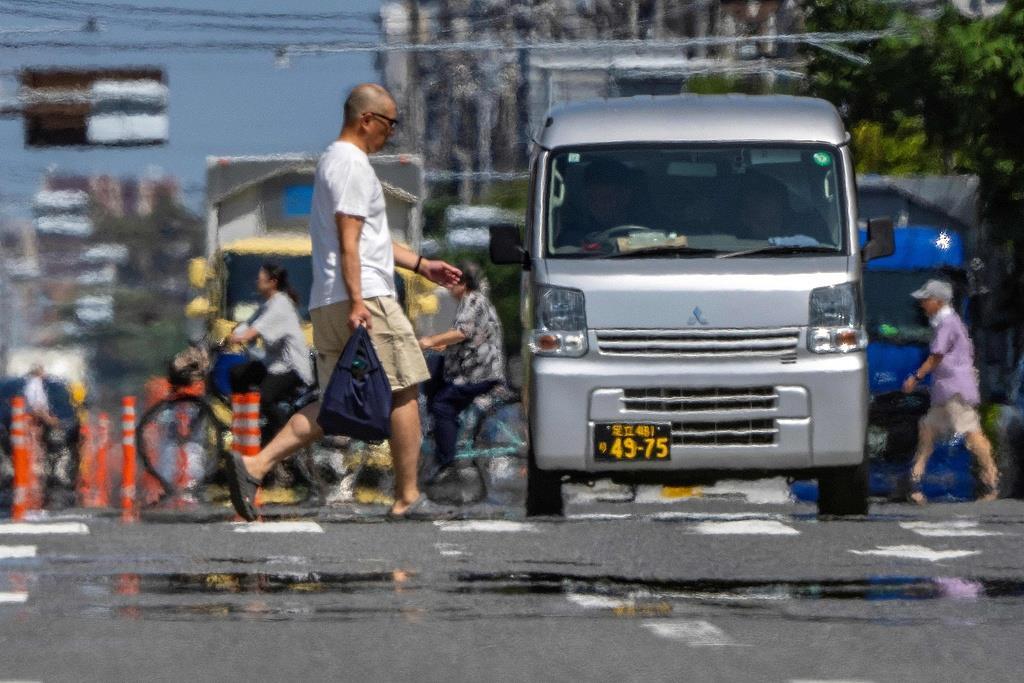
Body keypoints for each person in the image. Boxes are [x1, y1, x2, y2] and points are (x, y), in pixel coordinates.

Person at [223, 83, 462, 521]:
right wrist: (358, 301)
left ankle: (254, 465)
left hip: (329, 299)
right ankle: (408, 496)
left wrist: (421, 264)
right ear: (366, 120)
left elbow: (370, 240)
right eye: (390, 123)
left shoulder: (333, 162)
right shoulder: (352, 165)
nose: (392, 132)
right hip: (364, 295)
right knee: (404, 388)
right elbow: (350, 241)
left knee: (338, 403)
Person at [902, 279, 999, 504]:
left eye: (926, 299)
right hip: (946, 391)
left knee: (972, 433)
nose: (922, 304)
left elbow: (936, 356)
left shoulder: (948, 323)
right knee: (927, 429)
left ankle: (992, 481)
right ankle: (914, 483)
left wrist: (915, 378)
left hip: (955, 390)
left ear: (939, 301)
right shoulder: (946, 322)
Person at [418, 261, 505, 481]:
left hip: (478, 373)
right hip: (469, 368)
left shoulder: (473, 300)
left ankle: (445, 460)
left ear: (463, 283)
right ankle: (441, 431)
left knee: (442, 405)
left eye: (452, 283)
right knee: (432, 376)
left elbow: (461, 332)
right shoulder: (472, 301)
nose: (448, 287)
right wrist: (439, 344)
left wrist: (430, 341)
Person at [226, 263, 314, 445]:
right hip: (273, 364)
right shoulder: (267, 304)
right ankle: (246, 429)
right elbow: (249, 323)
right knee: (237, 373)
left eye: (260, 278)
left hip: (292, 367)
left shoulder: (281, 305)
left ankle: (283, 435)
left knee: (264, 398)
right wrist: (229, 336)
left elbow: (254, 330)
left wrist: (238, 337)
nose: (256, 282)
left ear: (272, 282)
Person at [556, 158, 643, 248]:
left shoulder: (647, 233)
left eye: (605, 198)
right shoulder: (573, 240)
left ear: (625, 197)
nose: (597, 205)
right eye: (592, 198)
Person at [24, 364, 58, 429]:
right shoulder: (34, 382)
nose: (44, 372)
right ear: (38, 372)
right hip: (37, 410)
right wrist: (41, 410)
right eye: (43, 371)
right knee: (54, 422)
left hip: (40, 409)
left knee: (54, 418)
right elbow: (32, 399)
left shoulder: (38, 382)